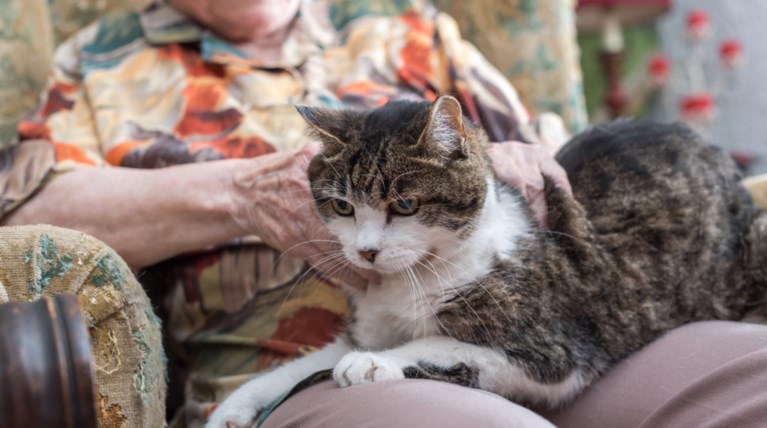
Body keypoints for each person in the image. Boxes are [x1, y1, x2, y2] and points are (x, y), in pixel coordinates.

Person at [0, 0, 765, 427]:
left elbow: (545, 164)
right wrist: (233, 195)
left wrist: (528, 165)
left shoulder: (411, 27)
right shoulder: (99, 59)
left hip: (541, 327)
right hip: (320, 377)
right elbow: (27, 224)